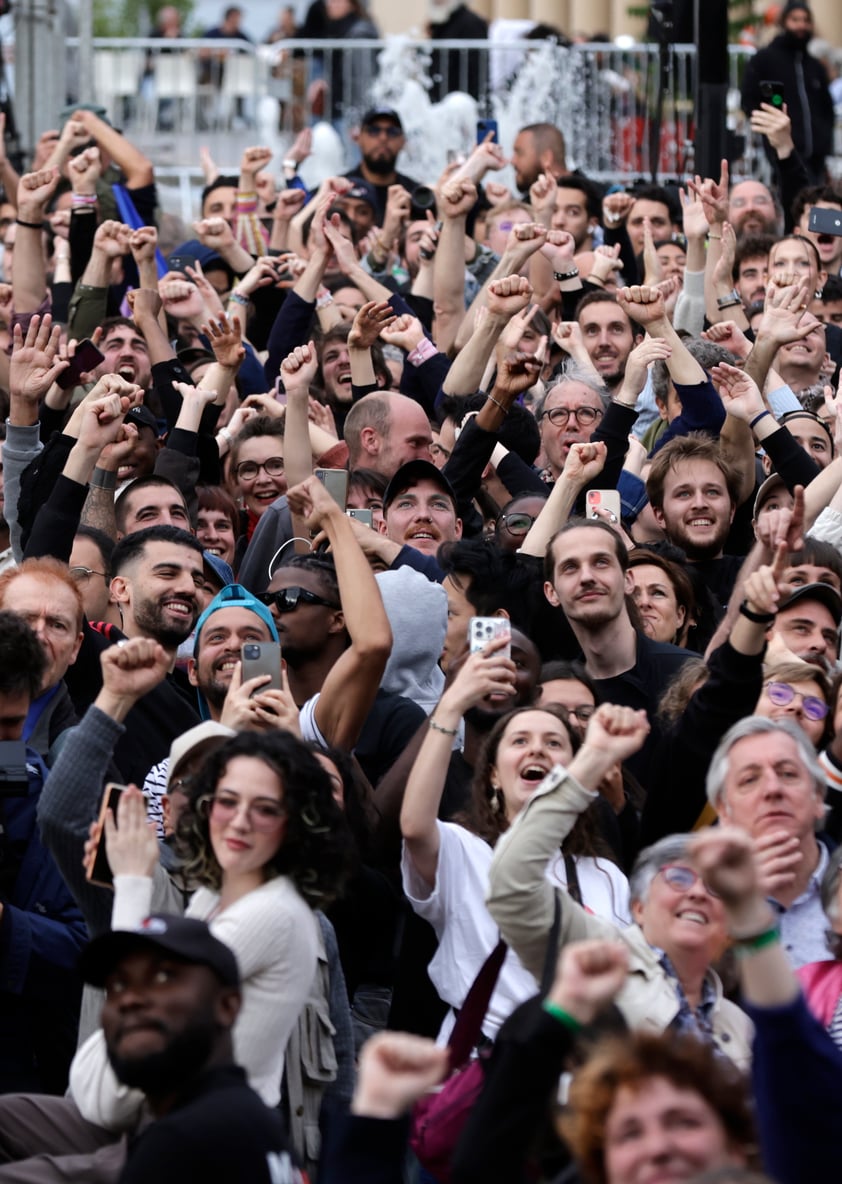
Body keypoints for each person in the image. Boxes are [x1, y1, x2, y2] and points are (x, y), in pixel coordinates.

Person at [486, 703, 753, 1068]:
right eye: (678, 877)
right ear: (638, 907)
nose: (697, 893)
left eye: (715, 889)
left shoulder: (741, 1027)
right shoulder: (600, 962)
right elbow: (513, 882)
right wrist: (593, 757)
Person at [401, 646, 631, 1043]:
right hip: (482, 1070)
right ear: (492, 775)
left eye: (555, 744)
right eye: (520, 740)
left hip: (575, 1075)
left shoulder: (605, 875)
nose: (537, 749)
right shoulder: (462, 851)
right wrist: (453, 703)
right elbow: (415, 827)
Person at [79, 915, 305, 1184]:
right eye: (117, 985)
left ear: (228, 1006)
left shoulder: (181, 1144)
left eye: (163, 977)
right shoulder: (254, 1125)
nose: (129, 999)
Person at [0, 611, 86, 1095]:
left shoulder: (28, 789)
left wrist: (6, 925)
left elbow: (80, 945)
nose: (6, 743)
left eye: (13, 724)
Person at [542, 519, 693, 787]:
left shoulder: (686, 674)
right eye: (570, 567)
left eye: (601, 562)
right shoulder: (559, 697)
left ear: (627, 580)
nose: (587, 577)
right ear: (551, 592)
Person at [705, 715, 831, 966]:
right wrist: (739, 909)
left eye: (787, 774)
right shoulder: (693, 899)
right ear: (724, 810)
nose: (772, 789)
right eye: (750, 779)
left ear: (817, 796)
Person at [741, 0, 835, 184]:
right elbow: (749, 100)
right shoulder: (764, 60)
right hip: (782, 156)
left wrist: (824, 141)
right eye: (795, 19)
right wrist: (771, 133)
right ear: (784, 22)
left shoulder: (815, 67)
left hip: (817, 159)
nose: (801, 25)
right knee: (791, 205)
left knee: (821, 209)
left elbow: (826, 108)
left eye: (805, 20)